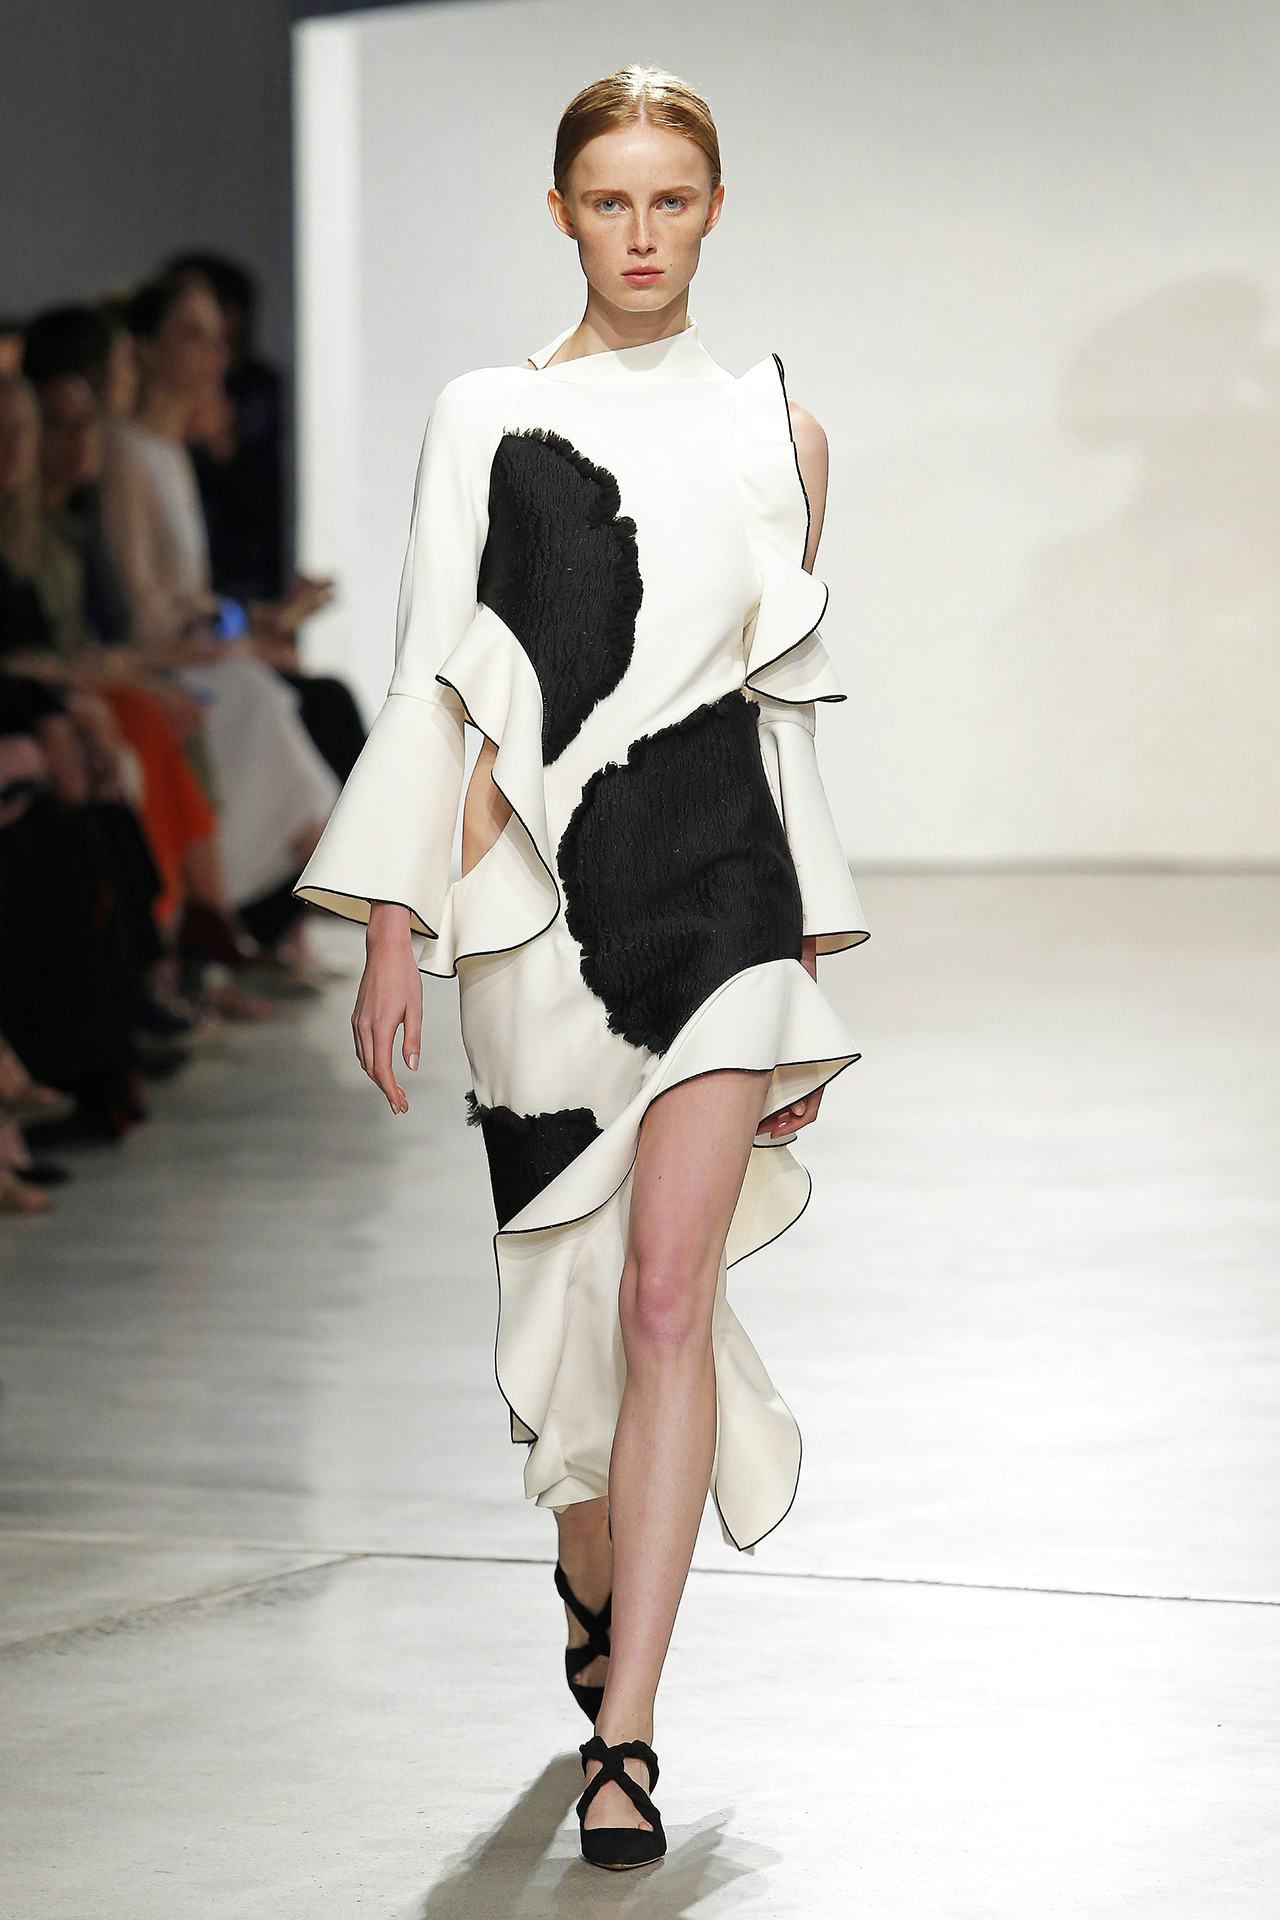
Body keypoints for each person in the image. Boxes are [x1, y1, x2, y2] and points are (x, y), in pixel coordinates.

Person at [292, 63, 870, 1870]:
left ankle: (631, 1731)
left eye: (670, 200)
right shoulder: (485, 414)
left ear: (714, 210)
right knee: (570, 1306)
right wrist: (393, 926)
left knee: (665, 1300)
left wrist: (809, 956)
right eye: (608, 201)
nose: (639, 234)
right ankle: (587, 1562)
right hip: (535, 914)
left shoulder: (781, 432)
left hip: (721, 895)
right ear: (561, 212)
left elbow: (771, 700)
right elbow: (428, 675)